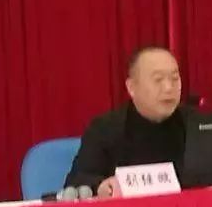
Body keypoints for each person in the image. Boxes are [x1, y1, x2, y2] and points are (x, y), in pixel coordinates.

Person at [65, 46, 190, 198]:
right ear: (131, 87)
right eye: (158, 80)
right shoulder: (105, 128)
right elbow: (77, 181)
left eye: (175, 79)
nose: (169, 88)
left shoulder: (196, 124)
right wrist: (100, 186)